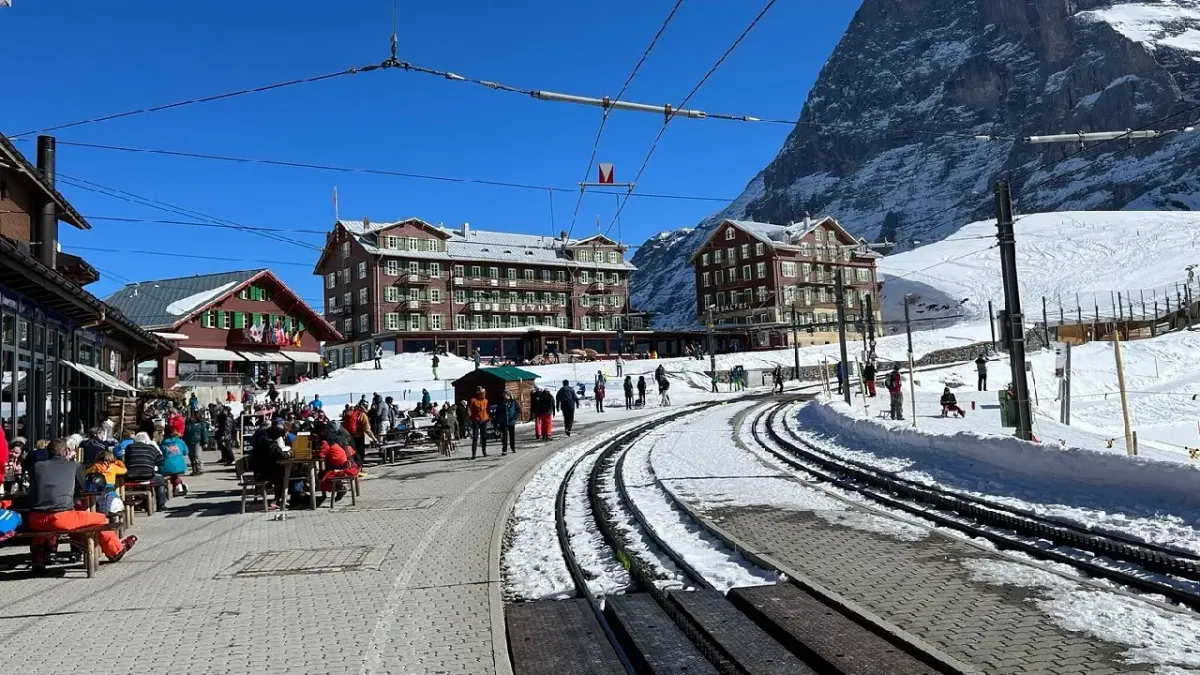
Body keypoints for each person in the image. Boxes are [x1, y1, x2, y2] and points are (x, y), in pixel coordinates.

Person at [28, 438, 137, 572]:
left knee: (45, 527)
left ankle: (37, 556)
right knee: (100, 519)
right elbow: (83, 488)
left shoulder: (37, 466)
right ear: (66, 451)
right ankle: (115, 551)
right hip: (61, 518)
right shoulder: (74, 466)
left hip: (36, 519)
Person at [124, 433, 167, 511]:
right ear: (147, 440)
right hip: (148, 475)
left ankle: (139, 504)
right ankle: (161, 505)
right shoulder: (151, 447)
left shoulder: (129, 447)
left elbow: (126, 461)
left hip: (131, 476)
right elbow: (161, 461)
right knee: (161, 480)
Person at [159, 427, 191, 496]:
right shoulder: (180, 441)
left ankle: (178, 485)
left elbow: (159, 455)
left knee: (169, 471)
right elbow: (186, 452)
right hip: (180, 465)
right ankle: (179, 485)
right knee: (174, 473)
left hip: (167, 466)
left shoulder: (162, 444)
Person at [183, 411, 209, 476]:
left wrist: (205, 442)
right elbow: (185, 433)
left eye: (192, 416)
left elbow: (204, 434)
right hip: (189, 442)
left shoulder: (201, 424)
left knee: (197, 456)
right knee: (191, 456)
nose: (191, 417)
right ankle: (194, 469)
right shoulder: (188, 424)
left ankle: (199, 469)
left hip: (197, 442)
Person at [467, 387, 490, 458]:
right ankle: (473, 454)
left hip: (484, 419)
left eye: (484, 393)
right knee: (475, 437)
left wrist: (488, 416)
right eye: (482, 393)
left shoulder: (486, 401)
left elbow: (486, 410)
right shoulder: (473, 401)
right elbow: (468, 408)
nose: (483, 395)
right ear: (479, 394)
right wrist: (470, 415)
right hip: (476, 419)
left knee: (484, 436)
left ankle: (484, 451)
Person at [498, 391, 520, 456]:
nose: (505, 396)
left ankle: (513, 447)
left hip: (511, 421)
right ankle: (504, 450)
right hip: (503, 422)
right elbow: (498, 411)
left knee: (512, 436)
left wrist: (515, 417)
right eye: (504, 395)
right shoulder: (502, 403)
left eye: (506, 395)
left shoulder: (513, 402)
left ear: (509, 395)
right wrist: (499, 419)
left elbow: (518, 410)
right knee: (504, 437)